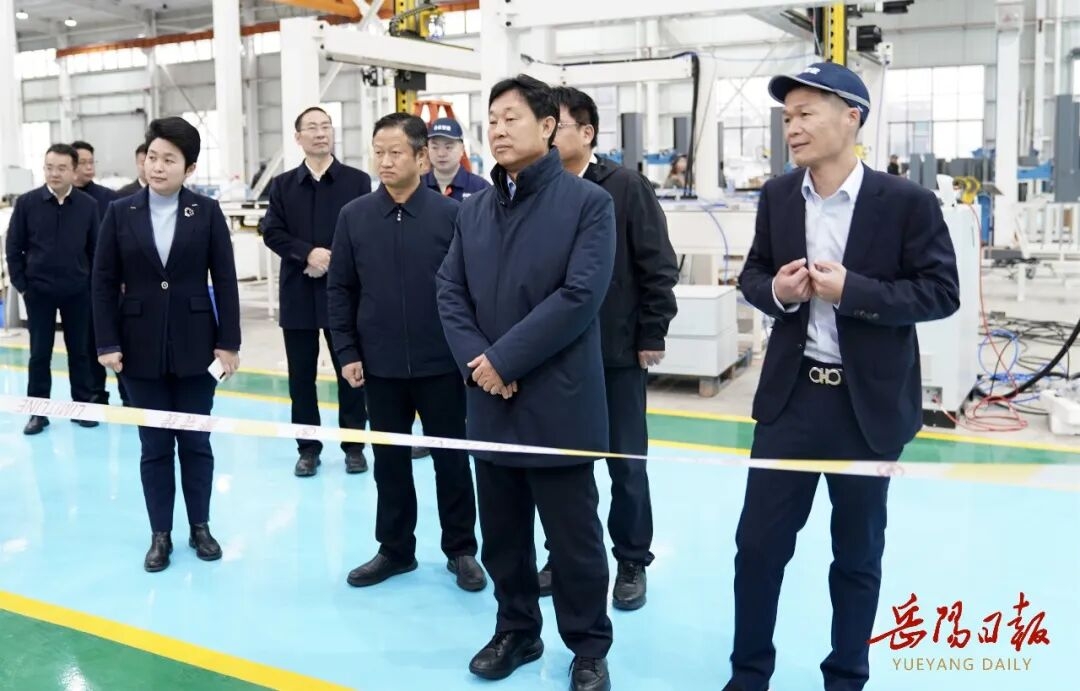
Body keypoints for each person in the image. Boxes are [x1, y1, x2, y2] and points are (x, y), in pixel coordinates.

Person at [725, 62, 960, 691]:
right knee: (758, 549)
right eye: (787, 117)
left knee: (857, 555)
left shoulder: (907, 203)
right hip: (791, 401)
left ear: (851, 117)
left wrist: (854, 291)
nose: (792, 128)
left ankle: (847, 677)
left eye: (805, 114)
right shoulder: (779, 196)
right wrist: (777, 292)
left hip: (866, 411)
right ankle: (748, 675)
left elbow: (941, 292)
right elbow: (753, 275)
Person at [436, 74, 614, 691]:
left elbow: (579, 296)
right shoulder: (474, 210)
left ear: (548, 127)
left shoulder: (588, 204)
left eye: (512, 117)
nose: (499, 129)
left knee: (574, 539)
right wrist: (477, 362)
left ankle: (588, 646)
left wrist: (503, 361)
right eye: (492, 119)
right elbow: (449, 289)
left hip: (557, 400)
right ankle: (516, 629)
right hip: (491, 401)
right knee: (503, 535)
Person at [535, 85, 678, 611]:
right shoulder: (536, 190)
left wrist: (652, 332)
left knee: (626, 465)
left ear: (587, 132)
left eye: (556, 126)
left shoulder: (625, 186)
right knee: (562, 467)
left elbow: (657, 264)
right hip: (553, 356)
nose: (547, 136)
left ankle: (632, 560)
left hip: (615, 353)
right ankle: (564, 554)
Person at [327, 113, 484, 592]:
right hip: (380, 365)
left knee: (451, 461)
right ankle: (395, 550)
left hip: (442, 365)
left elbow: (473, 289)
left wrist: (470, 355)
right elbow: (340, 289)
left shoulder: (452, 216)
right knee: (390, 464)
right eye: (379, 152)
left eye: (396, 152)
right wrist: (347, 351)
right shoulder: (355, 216)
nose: (385, 161)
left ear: (421, 158)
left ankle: (461, 549)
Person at [92, 116, 242, 573]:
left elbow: (226, 279)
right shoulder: (120, 212)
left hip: (198, 346)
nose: (157, 167)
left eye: (169, 160)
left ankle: (200, 526)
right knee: (154, 446)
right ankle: (160, 534)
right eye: (152, 158)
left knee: (196, 443)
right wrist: (106, 342)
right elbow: (103, 282)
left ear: (189, 168)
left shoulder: (207, 212)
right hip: (137, 348)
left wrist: (229, 342)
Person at [261, 106, 372, 477]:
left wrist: (331, 259)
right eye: (312, 127)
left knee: (350, 373)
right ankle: (308, 448)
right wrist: (306, 253)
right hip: (299, 292)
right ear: (298, 138)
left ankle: (354, 446)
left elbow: (364, 231)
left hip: (345, 295)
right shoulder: (282, 185)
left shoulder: (357, 181)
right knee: (301, 379)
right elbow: (271, 231)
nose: (321, 133)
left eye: (326, 126)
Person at [4, 143, 100, 434]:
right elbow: (13, 248)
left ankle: (82, 406)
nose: (54, 173)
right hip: (39, 292)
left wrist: (89, 285)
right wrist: (23, 285)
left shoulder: (87, 206)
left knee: (80, 352)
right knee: (39, 354)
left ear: (73, 170)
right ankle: (38, 412)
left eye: (61, 168)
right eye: (49, 167)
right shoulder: (27, 203)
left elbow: (96, 251)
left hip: (77, 292)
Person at [72, 140, 123, 407]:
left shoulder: (110, 199)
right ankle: (95, 397)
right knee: (86, 346)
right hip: (79, 288)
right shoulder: (65, 201)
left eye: (91, 161)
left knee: (121, 341)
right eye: (83, 163)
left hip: (110, 286)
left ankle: (130, 398)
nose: (89, 167)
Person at [422, 117, 489, 201]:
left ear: (462, 149)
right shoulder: (417, 186)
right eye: (435, 147)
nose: (441, 154)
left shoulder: (480, 188)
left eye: (448, 147)